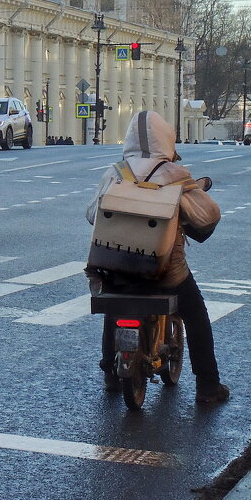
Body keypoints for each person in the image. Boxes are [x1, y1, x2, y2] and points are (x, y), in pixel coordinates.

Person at [86, 110, 229, 404]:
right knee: (196, 314)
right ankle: (208, 386)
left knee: (115, 307)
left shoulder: (116, 172)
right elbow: (207, 217)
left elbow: (91, 215)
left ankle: (110, 375)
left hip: (116, 270)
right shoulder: (175, 174)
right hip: (166, 275)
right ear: (167, 139)